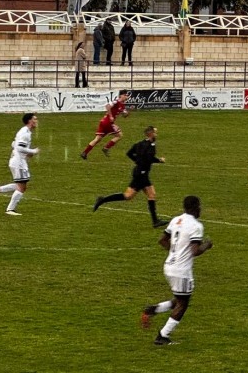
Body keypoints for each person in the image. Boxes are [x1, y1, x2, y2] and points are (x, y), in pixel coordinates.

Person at [140, 195, 213, 346]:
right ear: (195, 207)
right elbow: (195, 251)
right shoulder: (196, 226)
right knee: (183, 304)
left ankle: (152, 310)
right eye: (199, 206)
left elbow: (162, 240)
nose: (201, 209)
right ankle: (162, 336)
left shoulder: (175, 220)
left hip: (169, 266)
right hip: (181, 270)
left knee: (180, 299)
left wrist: (174, 253)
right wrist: (206, 245)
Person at [93, 126, 168, 228]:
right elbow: (150, 158)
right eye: (155, 133)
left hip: (139, 172)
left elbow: (129, 153)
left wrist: (137, 161)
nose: (156, 134)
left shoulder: (139, 144)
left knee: (141, 195)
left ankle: (102, 200)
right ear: (150, 134)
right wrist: (160, 160)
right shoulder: (151, 145)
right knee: (137, 195)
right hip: (141, 174)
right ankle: (155, 221)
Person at [0, 113, 40, 216]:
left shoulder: (24, 131)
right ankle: (10, 209)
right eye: (35, 119)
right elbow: (19, 147)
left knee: (21, 185)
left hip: (17, 161)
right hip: (18, 162)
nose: (36, 121)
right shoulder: (25, 133)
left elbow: (14, 144)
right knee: (22, 187)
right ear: (29, 121)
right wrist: (33, 151)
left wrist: (27, 153)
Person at [81, 90, 130, 159]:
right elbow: (107, 106)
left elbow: (124, 115)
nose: (126, 97)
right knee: (119, 135)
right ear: (121, 95)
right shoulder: (116, 101)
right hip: (108, 122)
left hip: (104, 122)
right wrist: (110, 116)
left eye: (127, 95)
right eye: (125, 95)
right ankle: (106, 148)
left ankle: (85, 153)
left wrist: (127, 114)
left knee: (97, 139)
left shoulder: (122, 105)